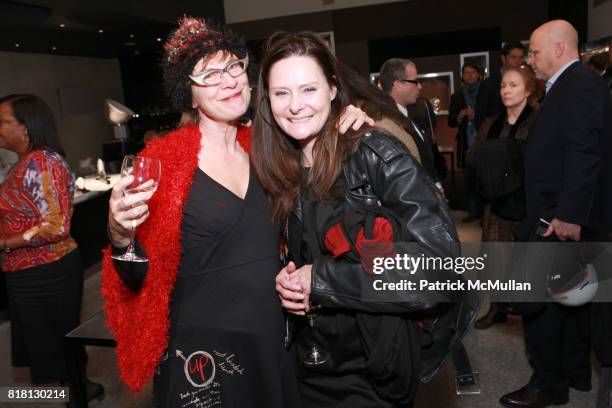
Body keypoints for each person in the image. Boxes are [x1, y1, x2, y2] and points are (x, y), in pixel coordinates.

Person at [102, 17, 371, 407]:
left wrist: (347, 121)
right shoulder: (164, 161)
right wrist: (120, 233)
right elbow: (135, 277)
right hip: (204, 349)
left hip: (274, 335)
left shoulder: (271, 147)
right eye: (209, 75)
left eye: (233, 67)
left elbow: (314, 212)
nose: (228, 81)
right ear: (190, 95)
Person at [252, 31, 467, 408]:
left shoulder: (376, 155)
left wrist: (320, 280)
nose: (295, 105)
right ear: (267, 101)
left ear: (333, 90)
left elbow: (441, 271)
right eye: (281, 93)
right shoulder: (276, 169)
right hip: (304, 363)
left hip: (369, 371)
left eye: (309, 89)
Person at [499, 20, 612, 408]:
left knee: (541, 305)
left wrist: (569, 215)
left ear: (559, 49)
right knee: (568, 302)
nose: (529, 59)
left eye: (534, 51)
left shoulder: (578, 85)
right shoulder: (571, 85)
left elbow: (584, 154)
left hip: (558, 216)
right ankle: (573, 376)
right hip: (556, 212)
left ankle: (547, 384)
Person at [0, 94, 103, 399]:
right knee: (55, 344)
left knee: (54, 348)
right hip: (28, 272)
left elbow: (56, 226)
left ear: (27, 127)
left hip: (46, 273)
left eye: (4, 121)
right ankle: (81, 391)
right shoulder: (24, 162)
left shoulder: (43, 162)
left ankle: (75, 395)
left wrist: (5, 243)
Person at [468, 66, 536, 329]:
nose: (506, 90)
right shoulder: (490, 123)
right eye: (503, 85)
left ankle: (529, 310)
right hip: (496, 202)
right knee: (496, 258)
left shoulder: (537, 120)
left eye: (514, 85)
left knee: (526, 258)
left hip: (527, 202)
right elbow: (473, 157)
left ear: (528, 90)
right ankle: (497, 308)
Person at [378, 58, 444, 194]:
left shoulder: (409, 114)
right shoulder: (384, 124)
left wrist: (436, 184)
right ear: (397, 84)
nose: (420, 86)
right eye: (415, 81)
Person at [449, 63, 483, 223]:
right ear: (462, 76)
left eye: (472, 72)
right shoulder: (457, 96)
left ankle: (485, 214)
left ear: (478, 74)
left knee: (485, 179)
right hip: (466, 143)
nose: (469, 75)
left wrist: (478, 114)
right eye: (466, 72)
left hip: (484, 143)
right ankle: (473, 211)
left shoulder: (486, 92)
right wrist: (460, 115)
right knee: (469, 180)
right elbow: (451, 122)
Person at [475, 41, 527, 130]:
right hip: (495, 137)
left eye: (520, 58)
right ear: (503, 58)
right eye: (513, 57)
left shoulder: (525, 82)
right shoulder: (488, 84)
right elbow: (480, 117)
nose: (518, 62)